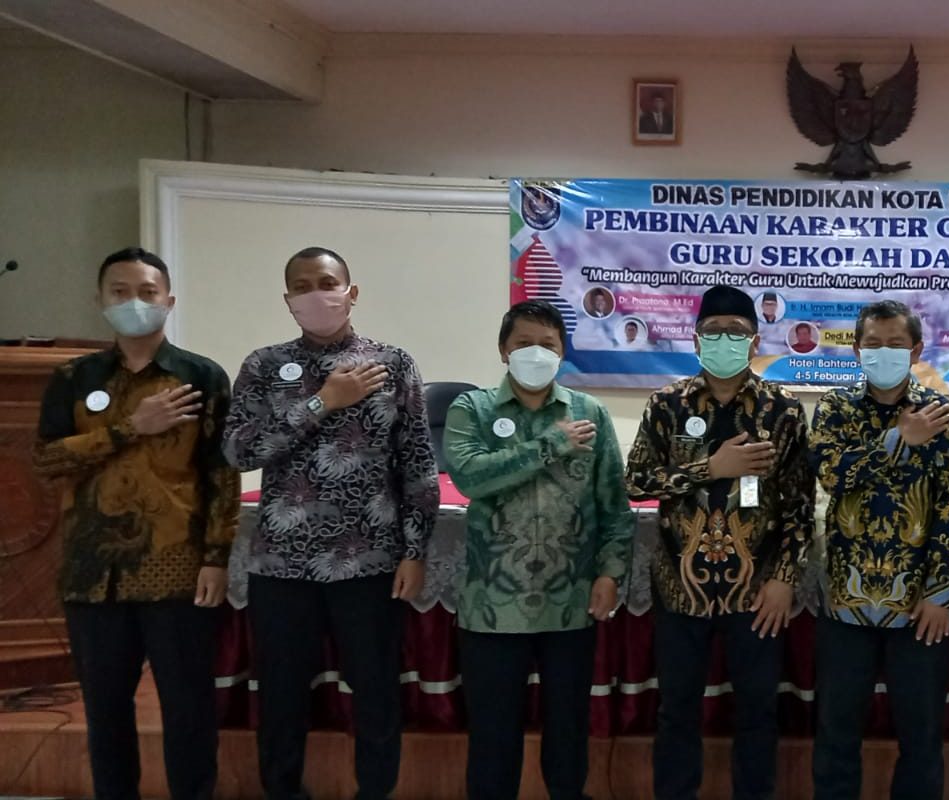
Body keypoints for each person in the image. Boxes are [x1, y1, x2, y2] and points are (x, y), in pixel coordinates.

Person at [222, 246, 438, 800]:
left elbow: (417, 464)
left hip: (370, 560)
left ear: (351, 291)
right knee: (281, 697)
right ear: (287, 299)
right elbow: (240, 451)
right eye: (302, 286)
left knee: (376, 694)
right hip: (282, 563)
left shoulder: (393, 363)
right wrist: (322, 402)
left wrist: (415, 551)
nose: (316, 294)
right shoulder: (264, 366)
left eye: (326, 282)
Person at [33, 247, 239, 800]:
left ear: (169, 301)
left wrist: (217, 558)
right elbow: (47, 461)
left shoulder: (201, 376)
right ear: (99, 301)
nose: (134, 302)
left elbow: (221, 475)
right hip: (91, 572)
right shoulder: (74, 378)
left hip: (177, 570)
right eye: (119, 292)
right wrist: (130, 427)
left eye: (147, 292)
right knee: (105, 713)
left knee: (189, 710)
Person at [625, 284, 813, 800]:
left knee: (757, 712)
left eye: (736, 331)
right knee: (677, 711)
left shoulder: (783, 409)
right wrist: (710, 468)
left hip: (756, 592)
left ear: (755, 341)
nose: (724, 339)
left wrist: (785, 579)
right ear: (695, 339)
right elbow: (636, 482)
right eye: (713, 331)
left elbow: (800, 504)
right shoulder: (667, 404)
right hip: (679, 587)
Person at [444, 300, 633, 800]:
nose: (535, 353)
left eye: (546, 345)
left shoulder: (589, 413)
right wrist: (549, 445)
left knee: (568, 733)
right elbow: (470, 477)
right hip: (492, 607)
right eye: (523, 343)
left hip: (569, 602)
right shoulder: (472, 409)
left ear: (563, 352)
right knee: (493, 737)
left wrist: (610, 573)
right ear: (503, 350)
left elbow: (614, 504)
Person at [809, 301, 949, 800]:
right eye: (873, 344)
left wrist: (941, 593)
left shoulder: (945, 415)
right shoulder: (835, 408)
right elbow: (832, 475)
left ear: (916, 350)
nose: (884, 352)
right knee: (836, 734)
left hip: (919, 603)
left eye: (895, 344)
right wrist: (898, 440)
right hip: (846, 600)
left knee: (921, 739)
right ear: (857, 351)